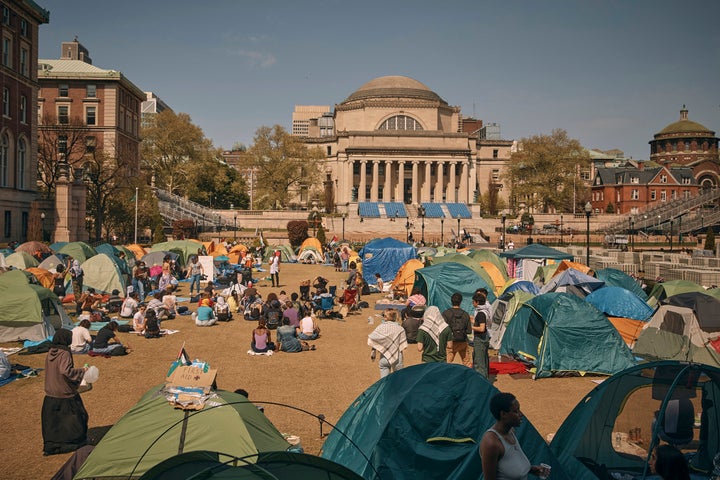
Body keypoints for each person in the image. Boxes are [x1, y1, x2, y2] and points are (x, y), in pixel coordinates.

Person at [480, 392, 548, 480]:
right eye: (516, 411)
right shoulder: (491, 443)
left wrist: (530, 469)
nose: (521, 414)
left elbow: (509, 466)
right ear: (503, 414)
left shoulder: (511, 431)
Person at [42, 329, 89, 455]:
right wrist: (82, 371)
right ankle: (75, 442)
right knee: (78, 417)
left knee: (54, 422)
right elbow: (65, 371)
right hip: (64, 391)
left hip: (51, 391)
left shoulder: (51, 351)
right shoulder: (64, 353)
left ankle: (54, 444)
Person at [368, 309, 408, 378]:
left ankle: (385, 389)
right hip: (397, 357)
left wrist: (373, 351)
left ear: (386, 317)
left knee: (384, 381)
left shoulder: (380, 327)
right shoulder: (400, 329)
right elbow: (403, 345)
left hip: (384, 357)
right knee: (399, 379)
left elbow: (372, 339)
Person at [443, 292, 472, 367]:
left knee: (447, 362)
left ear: (451, 301)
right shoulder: (465, 314)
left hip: (450, 342)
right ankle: (469, 377)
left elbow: (442, 329)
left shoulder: (446, 313)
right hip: (463, 341)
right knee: (467, 362)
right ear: (461, 301)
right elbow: (469, 331)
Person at [472, 292, 490, 378]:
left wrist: (471, 327)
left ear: (477, 302)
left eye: (473, 301)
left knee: (479, 363)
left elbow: (482, 328)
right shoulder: (485, 311)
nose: (473, 303)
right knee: (484, 360)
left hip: (480, 339)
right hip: (484, 338)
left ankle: (482, 382)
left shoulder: (481, 314)